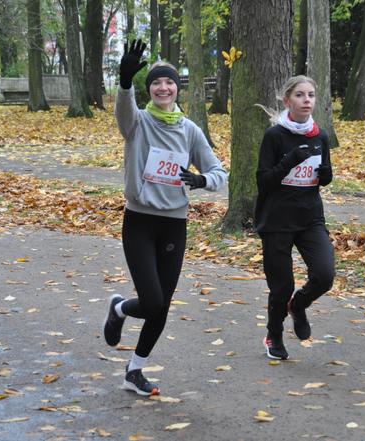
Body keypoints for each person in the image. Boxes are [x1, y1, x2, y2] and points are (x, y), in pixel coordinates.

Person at [103, 40, 228, 396]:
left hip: (175, 223)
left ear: (177, 88)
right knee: (152, 300)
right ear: (150, 89)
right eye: (156, 82)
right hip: (140, 220)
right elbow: (124, 113)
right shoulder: (138, 123)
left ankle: (135, 370)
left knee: (162, 306)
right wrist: (125, 82)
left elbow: (219, 172)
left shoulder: (190, 130)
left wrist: (203, 179)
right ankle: (120, 308)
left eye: (169, 82)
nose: (163, 87)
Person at [255, 75, 336, 360]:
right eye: (300, 95)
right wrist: (289, 161)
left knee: (325, 275)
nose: (307, 100)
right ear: (288, 100)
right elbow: (263, 181)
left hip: (310, 218)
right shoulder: (275, 136)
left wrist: (326, 175)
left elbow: (322, 175)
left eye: (311, 95)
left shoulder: (320, 135)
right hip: (276, 220)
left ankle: (299, 305)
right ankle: (274, 336)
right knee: (281, 286)